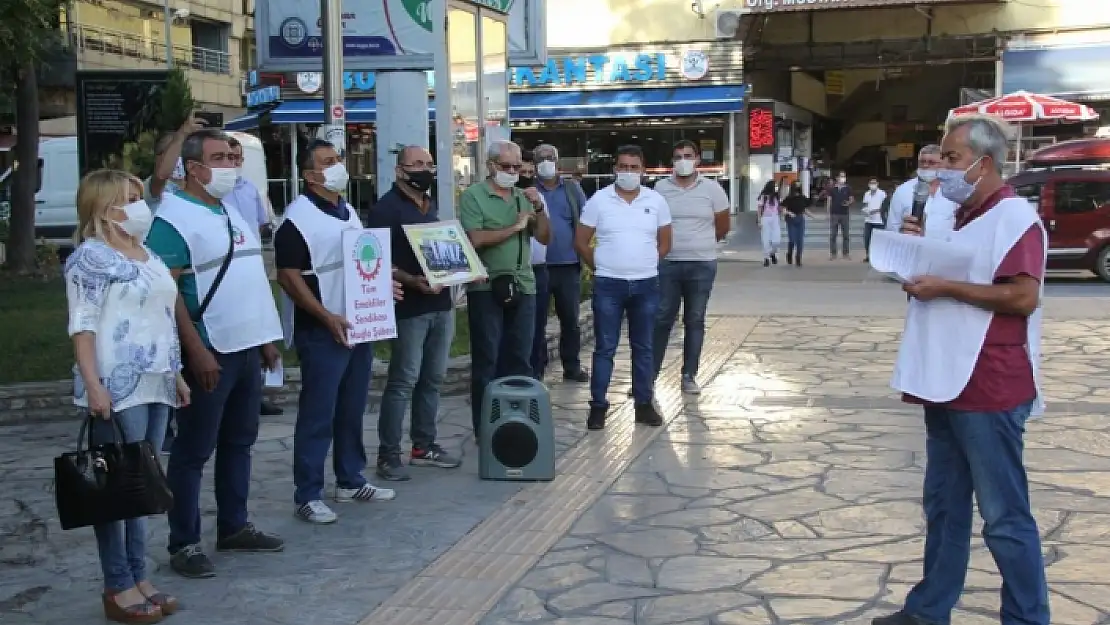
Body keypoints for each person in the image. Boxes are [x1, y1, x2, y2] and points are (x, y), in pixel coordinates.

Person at [874, 113, 1049, 625]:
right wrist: (913, 252)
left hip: (989, 384)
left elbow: (1022, 295)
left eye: (951, 159)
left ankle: (1027, 617)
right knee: (945, 507)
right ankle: (929, 610)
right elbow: (940, 270)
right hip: (942, 379)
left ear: (983, 163)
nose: (941, 170)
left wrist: (946, 287)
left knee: (1003, 516)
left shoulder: (1016, 219)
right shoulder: (952, 216)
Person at [145, 128, 285, 579]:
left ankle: (234, 525)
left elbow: (246, 276)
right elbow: (170, 293)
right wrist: (197, 351)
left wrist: (264, 338)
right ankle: (183, 542)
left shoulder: (226, 209)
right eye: (219, 157)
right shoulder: (171, 218)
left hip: (245, 345)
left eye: (232, 156)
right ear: (194, 167)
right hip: (210, 350)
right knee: (192, 451)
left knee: (239, 443)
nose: (229, 165)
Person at [66, 169, 188, 623]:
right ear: (102, 206)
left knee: (143, 489)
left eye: (139, 196)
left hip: (157, 381)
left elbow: (162, 316)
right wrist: (93, 383)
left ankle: (139, 574)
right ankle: (117, 583)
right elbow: (83, 325)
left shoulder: (148, 254)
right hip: (117, 387)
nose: (139, 206)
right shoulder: (89, 259)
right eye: (128, 199)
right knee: (116, 490)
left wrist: (175, 374)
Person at [273, 139, 396, 523]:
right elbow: (288, 277)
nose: (338, 165)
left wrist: (381, 285)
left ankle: (349, 478)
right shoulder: (296, 219)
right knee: (318, 413)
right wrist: (325, 316)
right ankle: (307, 493)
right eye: (328, 162)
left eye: (338, 159)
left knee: (352, 406)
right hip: (322, 328)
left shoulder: (346, 210)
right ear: (310, 175)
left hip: (357, 323)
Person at [368, 145, 463, 481]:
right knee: (403, 380)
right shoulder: (385, 210)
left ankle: (424, 446)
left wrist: (462, 271)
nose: (424, 170)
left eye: (429, 164)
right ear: (399, 171)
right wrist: (410, 280)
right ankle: (388, 454)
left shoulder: (430, 205)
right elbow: (375, 260)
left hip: (441, 305)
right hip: (409, 306)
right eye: (417, 164)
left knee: (433, 379)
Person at [574, 145, 672, 431]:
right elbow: (581, 241)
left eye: (634, 167)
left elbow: (665, 241)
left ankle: (643, 404)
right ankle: (598, 407)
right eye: (623, 167)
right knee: (605, 348)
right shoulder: (599, 200)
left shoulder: (656, 201)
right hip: (609, 286)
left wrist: (646, 262)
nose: (628, 172)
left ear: (643, 170)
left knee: (643, 348)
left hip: (646, 285)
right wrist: (602, 267)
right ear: (615, 168)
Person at [459, 140, 551, 436]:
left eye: (517, 167)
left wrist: (539, 207)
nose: (512, 172)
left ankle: (518, 425)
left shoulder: (524, 197)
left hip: (523, 284)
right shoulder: (474, 196)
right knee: (487, 359)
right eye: (506, 166)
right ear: (491, 166)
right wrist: (514, 227)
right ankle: (484, 429)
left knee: (521, 358)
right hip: (488, 287)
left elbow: (545, 238)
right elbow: (475, 239)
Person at [652, 140, 729, 394]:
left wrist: (701, 244)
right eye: (677, 156)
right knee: (662, 318)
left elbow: (722, 226)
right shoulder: (660, 188)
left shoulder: (713, 189)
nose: (682, 160)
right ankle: (648, 377)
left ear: (697, 159)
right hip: (668, 264)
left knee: (694, 319)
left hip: (701, 264)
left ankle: (688, 376)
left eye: (687, 155)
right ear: (671, 161)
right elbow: (653, 223)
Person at [225, 135, 284, 418]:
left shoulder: (249, 189)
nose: (235, 163)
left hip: (251, 262)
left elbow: (263, 223)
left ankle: (257, 391)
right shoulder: (217, 191)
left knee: (257, 324)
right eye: (229, 158)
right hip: (226, 266)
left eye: (238, 158)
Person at [533, 143, 590, 382]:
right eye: (541, 158)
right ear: (534, 163)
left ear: (557, 162)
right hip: (538, 267)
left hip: (568, 265)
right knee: (537, 321)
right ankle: (537, 367)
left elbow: (586, 219)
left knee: (570, 319)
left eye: (550, 157)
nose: (546, 162)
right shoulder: (528, 190)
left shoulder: (571, 189)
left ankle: (572, 365)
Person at [517, 151, 551, 380]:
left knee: (537, 326)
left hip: (538, 269)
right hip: (513, 271)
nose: (527, 176)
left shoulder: (538, 198)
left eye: (530, 172)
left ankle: (535, 375)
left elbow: (545, 234)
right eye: (522, 172)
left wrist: (537, 208)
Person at [887, 144, 959, 240]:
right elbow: (892, 228)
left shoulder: (954, 191)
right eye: (922, 162)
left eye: (931, 162)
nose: (925, 165)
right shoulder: (903, 191)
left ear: (943, 164)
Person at [782, 182, 814, 267]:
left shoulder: (802, 198)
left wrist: (812, 216)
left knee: (800, 240)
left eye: (799, 186)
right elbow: (784, 210)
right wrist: (789, 213)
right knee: (792, 239)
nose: (797, 188)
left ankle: (798, 257)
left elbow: (804, 210)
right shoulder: (788, 199)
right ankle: (789, 253)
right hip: (791, 220)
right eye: (796, 186)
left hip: (800, 220)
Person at [826, 171, 853, 260]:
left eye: (844, 176)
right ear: (837, 178)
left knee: (846, 235)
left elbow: (851, 199)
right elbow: (829, 200)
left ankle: (845, 253)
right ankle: (833, 253)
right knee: (833, 235)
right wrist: (828, 213)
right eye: (841, 176)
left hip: (845, 214)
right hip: (834, 214)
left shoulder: (848, 188)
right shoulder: (832, 188)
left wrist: (848, 203)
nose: (843, 178)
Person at [861, 177, 887, 262]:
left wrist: (875, 211)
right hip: (868, 220)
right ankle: (868, 255)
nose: (873, 185)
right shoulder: (867, 194)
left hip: (878, 220)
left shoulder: (882, 194)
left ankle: (880, 256)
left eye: (874, 183)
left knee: (879, 240)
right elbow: (865, 205)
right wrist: (865, 210)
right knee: (867, 238)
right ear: (869, 184)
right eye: (871, 183)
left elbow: (884, 206)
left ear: (877, 184)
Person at [756, 180, 782, 267]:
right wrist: (759, 220)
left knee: (776, 240)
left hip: (775, 218)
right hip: (765, 218)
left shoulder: (777, 197)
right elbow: (759, 209)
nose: (776, 188)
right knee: (765, 239)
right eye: (775, 186)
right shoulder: (763, 197)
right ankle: (766, 257)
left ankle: (772, 252)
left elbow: (779, 208)